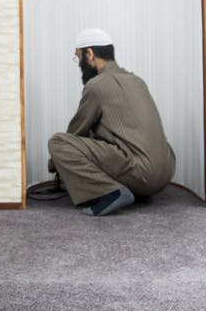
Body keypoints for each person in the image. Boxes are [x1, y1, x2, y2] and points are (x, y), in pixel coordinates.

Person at [48, 28, 176, 217]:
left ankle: (110, 192)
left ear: (89, 54)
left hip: (142, 174)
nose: (79, 64)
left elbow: (75, 134)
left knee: (58, 142)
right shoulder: (137, 81)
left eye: (78, 58)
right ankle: (133, 190)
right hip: (166, 171)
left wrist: (54, 164)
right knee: (100, 134)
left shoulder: (96, 85)